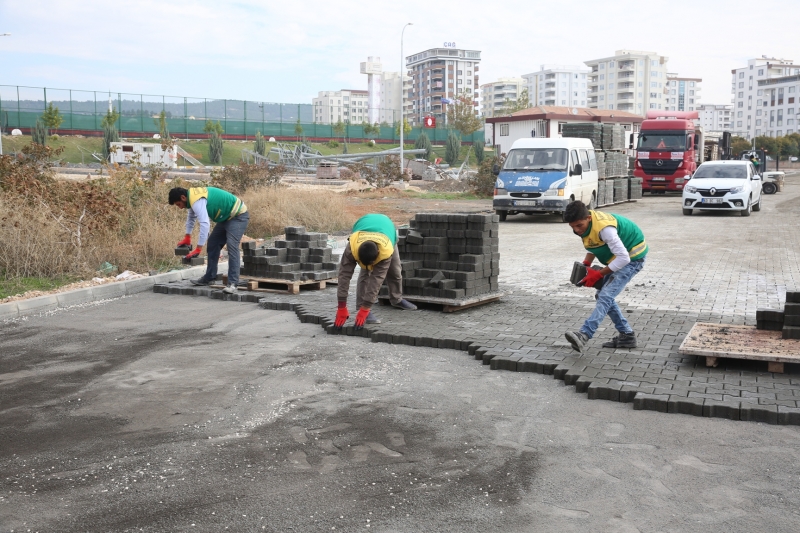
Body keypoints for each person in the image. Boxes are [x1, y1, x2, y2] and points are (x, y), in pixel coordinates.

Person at [563, 200, 648, 352]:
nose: (577, 230)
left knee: (605, 296)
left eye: (579, 226)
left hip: (633, 258)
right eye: (573, 227)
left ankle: (584, 334)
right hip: (618, 258)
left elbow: (624, 258)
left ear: (588, 218)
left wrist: (599, 274)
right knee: (602, 296)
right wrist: (586, 265)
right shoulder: (586, 226)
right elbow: (593, 243)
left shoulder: (605, 229)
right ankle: (627, 335)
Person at [335, 214, 417, 330]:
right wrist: (341, 305)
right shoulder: (352, 249)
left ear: (378, 253)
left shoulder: (386, 250)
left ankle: (396, 299)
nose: (372, 266)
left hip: (386, 229)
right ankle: (360, 306)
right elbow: (344, 275)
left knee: (395, 271)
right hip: (363, 225)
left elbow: (376, 280)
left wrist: (367, 306)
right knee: (365, 274)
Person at [168, 186, 250, 294]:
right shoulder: (192, 198)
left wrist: (198, 248)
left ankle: (233, 283)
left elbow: (205, 224)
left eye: (179, 204)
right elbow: (191, 218)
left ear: (183, 197)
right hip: (226, 218)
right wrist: (187, 237)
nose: (180, 207)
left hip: (238, 216)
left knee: (232, 246)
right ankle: (210, 277)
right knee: (213, 243)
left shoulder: (196, 200)